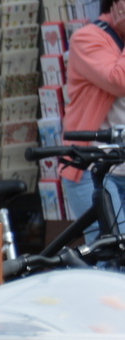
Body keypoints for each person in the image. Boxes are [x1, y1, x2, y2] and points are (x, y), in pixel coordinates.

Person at [60, 0, 125, 232]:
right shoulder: (87, 38)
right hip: (94, 169)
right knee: (110, 255)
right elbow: (118, 80)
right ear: (115, 4)